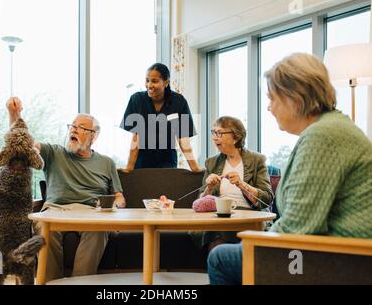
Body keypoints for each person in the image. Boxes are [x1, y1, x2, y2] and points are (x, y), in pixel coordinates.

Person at [207, 53, 372, 285]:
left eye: (272, 98)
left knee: (221, 259)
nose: (269, 107)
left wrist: (255, 239)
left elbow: (298, 226)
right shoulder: (332, 128)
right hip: (342, 252)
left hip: (342, 260)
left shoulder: (323, 136)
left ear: (294, 97)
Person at [6, 97, 126, 282]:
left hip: (91, 213)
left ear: (93, 136)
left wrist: (113, 207)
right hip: (55, 210)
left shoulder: (106, 162)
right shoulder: (54, 153)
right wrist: (15, 115)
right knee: (43, 227)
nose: (74, 129)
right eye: (72, 125)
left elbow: (119, 197)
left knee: (100, 228)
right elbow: (25, 144)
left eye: (81, 127)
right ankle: (52, 282)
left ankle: (80, 282)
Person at [192, 116, 273, 251]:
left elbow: (266, 199)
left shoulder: (257, 160)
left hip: (248, 217)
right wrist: (209, 189)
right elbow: (200, 205)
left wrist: (242, 184)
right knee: (216, 234)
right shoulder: (211, 162)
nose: (214, 138)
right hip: (219, 217)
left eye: (220, 133)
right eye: (214, 133)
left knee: (220, 234)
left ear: (236, 137)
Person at [120, 63, 200, 171]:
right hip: (142, 161)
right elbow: (136, 138)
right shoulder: (137, 99)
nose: (149, 85)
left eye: (154, 81)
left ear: (166, 82)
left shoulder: (179, 102)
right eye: (147, 80)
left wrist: (195, 169)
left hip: (167, 161)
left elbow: (183, 139)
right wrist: (129, 168)